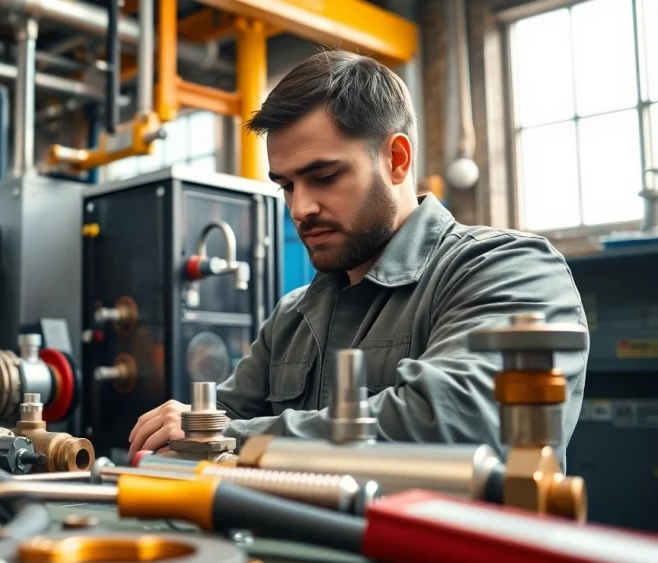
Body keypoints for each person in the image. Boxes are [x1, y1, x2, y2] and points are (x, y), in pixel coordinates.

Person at [127, 50, 588, 469]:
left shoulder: (508, 272)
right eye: (286, 185)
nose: (299, 208)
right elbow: (209, 426)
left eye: (323, 177)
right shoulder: (293, 317)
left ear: (397, 159)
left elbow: (459, 423)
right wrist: (190, 431)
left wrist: (228, 436)